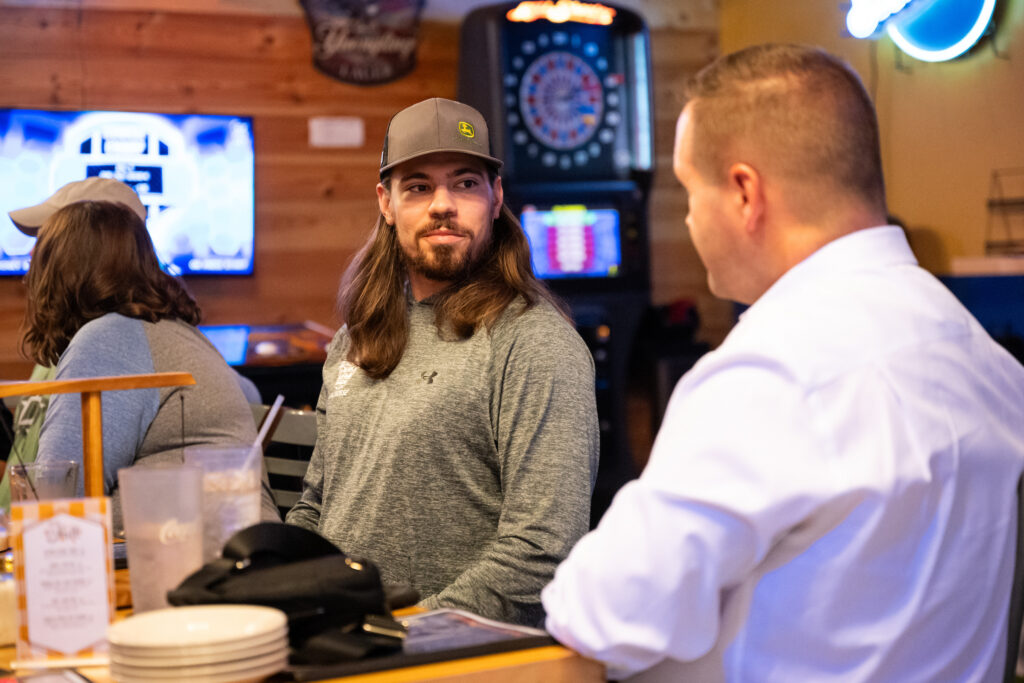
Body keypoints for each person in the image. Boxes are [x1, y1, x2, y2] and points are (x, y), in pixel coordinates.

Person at [541, 44, 1024, 680]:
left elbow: (603, 615)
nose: (688, 218)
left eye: (689, 191)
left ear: (745, 193)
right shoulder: (990, 362)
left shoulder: (771, 372)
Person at [286, 98, 599, 626]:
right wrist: (284, 593)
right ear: (386, 203)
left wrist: (402, 631)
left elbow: (541, 551)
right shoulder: (353, 339)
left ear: (495, 197)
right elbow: (318, 505)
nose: (442, 205)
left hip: (445, 652)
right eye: (418, 187)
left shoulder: (535, 343)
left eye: (465, 183)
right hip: (343, 639)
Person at [18, 193, 280, 531]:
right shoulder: (175, 330)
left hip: (196, 549)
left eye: (39, 253)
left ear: (59, 273)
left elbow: (56, 499)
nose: (30, 265)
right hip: (238, 541)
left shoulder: (107, 339)